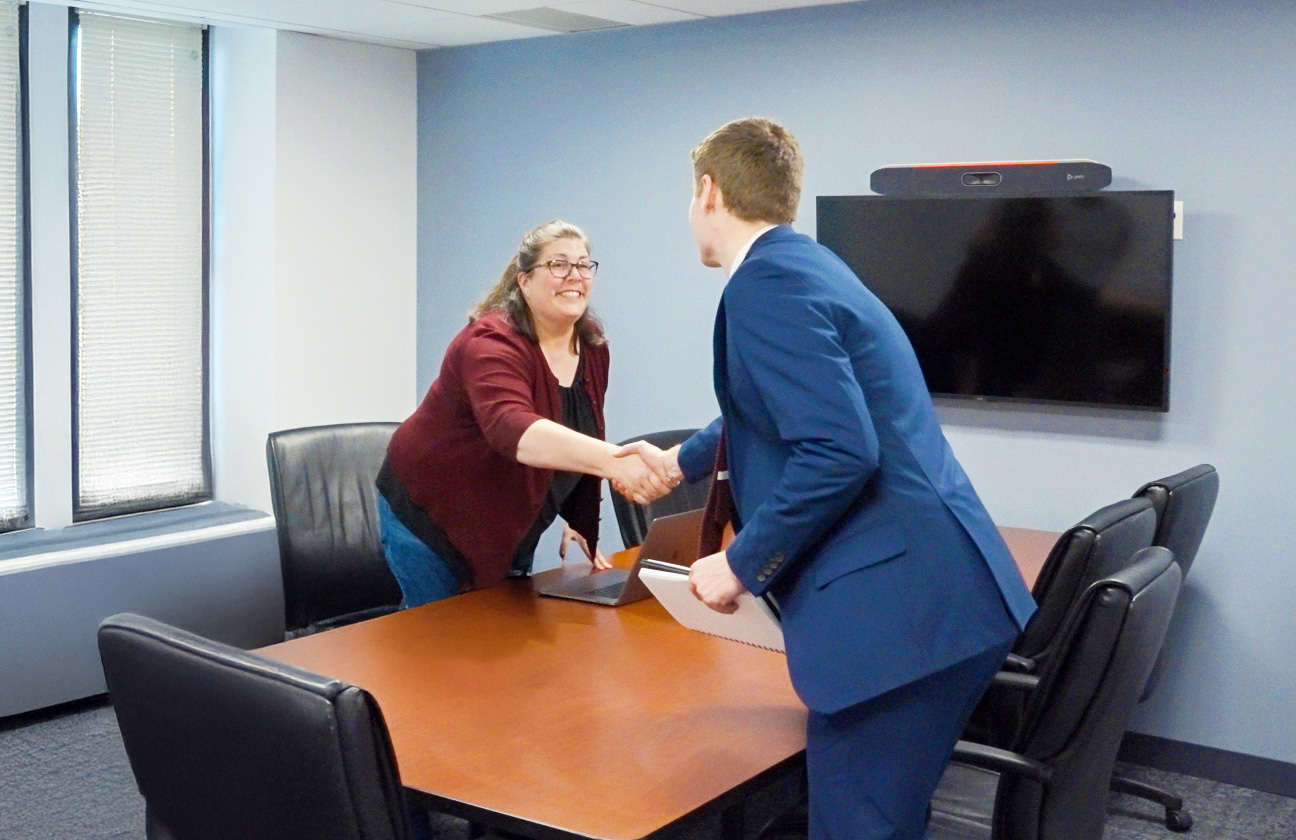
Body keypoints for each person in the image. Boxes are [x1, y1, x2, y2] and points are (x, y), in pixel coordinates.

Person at [634, 119, 1038, 840]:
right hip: (943, 599)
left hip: (899, 623)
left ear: (708, 192)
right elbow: (777, 406)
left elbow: (840, 448)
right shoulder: (806, 264)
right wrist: (681, 461)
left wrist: (741, 563)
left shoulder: (763, 286)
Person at [376, 220, 675, 608]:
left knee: (497, 632)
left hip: (507, 516)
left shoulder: (591, 343)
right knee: (438, 643)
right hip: (431, 513)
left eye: (584, 265)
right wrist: (617, 464)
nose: (575, 276)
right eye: (558, 265)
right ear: (524, 281)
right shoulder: (489, 342)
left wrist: (576, 512)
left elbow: (584, 426)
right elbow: (511, 427)